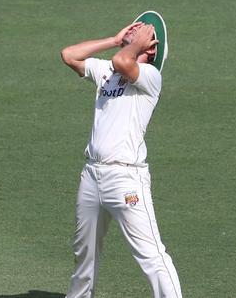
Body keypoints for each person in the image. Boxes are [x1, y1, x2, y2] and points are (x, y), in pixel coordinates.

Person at [59, 21, 183, 298]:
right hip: (91, 175)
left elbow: (122, 62)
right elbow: (69, 55)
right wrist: (114, 39)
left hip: (126, 179)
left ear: (150, 49)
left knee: (151, 255)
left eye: (142, 33)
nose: (133, 31)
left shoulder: (150, 76)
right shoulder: (108, 72)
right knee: (84, 253)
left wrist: (134, 45)